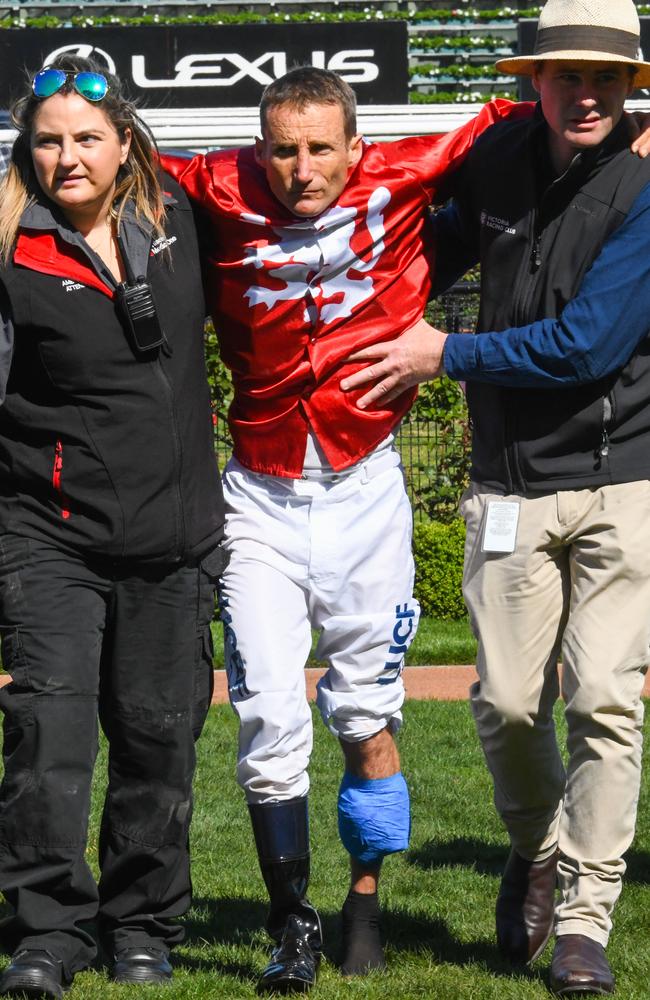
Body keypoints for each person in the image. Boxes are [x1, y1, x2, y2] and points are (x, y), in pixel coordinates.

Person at [159, 67, 544, 991]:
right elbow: (116, 156)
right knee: (267, 717)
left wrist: (639, 130)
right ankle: (292, 924)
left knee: (368, 719)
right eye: (283, 149)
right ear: (258, 149)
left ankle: (363, 902)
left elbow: (512, 113)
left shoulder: (408, 169)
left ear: (356, 147)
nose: (301, 169)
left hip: (366, 489)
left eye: (320, 148)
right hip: (257, 493)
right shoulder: (215, 184)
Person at [340, 0, 650, 994]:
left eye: (606, 77)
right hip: (505, 484)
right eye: (569, 75)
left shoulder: (645, 187)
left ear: (628, 87)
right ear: (535, 82)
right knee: (508, 704)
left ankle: (583, 923)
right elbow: (418, 247)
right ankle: (538, 850)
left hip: (619, 481)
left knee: (604, 698)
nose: (588, 93)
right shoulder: (494, 161)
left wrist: (443, 351)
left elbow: (590, 345)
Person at [0, 55, 225, 999]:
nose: (68, 156)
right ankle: (48, 932)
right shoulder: (11, 245)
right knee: (48, 739)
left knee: (158, 739)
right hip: (47, 534)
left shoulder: (180, 215)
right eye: (48, 141)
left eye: (87, 136)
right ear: (28, 152)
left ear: (125, 142)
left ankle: (142, 924)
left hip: (174, 539)